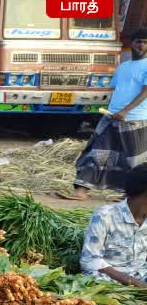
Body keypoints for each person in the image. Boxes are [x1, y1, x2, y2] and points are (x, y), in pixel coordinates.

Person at [60, 29, 147, 200]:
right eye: (138, 41)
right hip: (111, 117)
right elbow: (117, 91)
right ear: (132, 42)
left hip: (135, 119)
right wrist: (110, 111)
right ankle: (82, 191)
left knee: (134, 160)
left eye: (145, 42)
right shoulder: (123, 66)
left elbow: (145, 92)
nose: (142, 45)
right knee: (96, 152)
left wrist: (125, 111)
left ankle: (131, 196)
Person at [80, 164, 147, 288]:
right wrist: (132, 281)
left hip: (142, 275)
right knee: (94, 281)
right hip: (109, 277)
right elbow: (90, 260)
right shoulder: (105, 216)